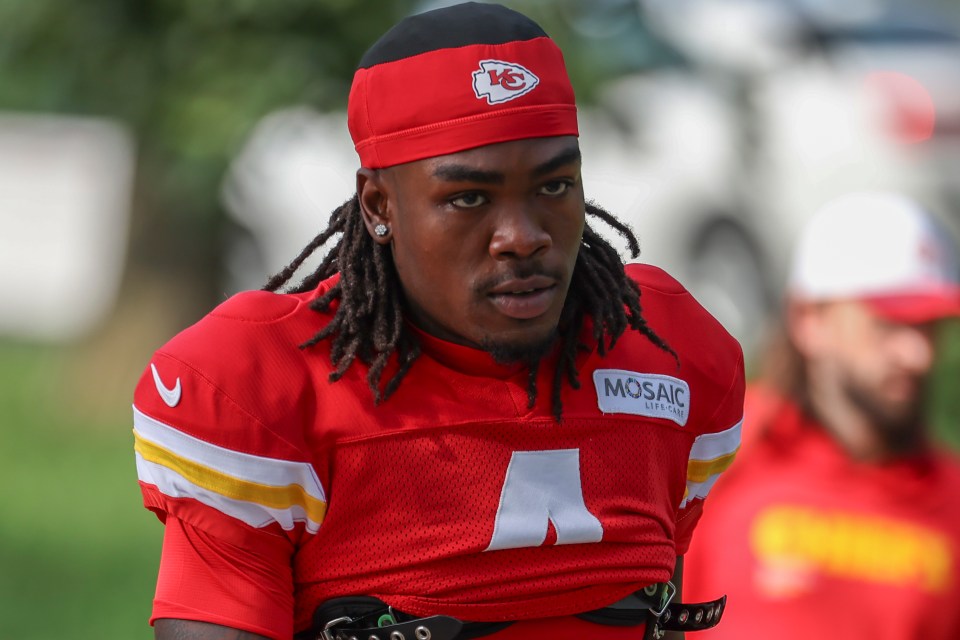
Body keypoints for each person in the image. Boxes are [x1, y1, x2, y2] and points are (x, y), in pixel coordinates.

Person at [132, 3, 744, 639]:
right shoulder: (267, 388)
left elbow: (657, 608)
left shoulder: (667, 352)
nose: (522, 237)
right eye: (468, 198)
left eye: (554, 186)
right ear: (379, 206)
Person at [683, 191, 960, 640]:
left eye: (928, 327)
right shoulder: (712, 460)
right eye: (890, 324)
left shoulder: (951, 501)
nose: (919, 355)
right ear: (810, 319)